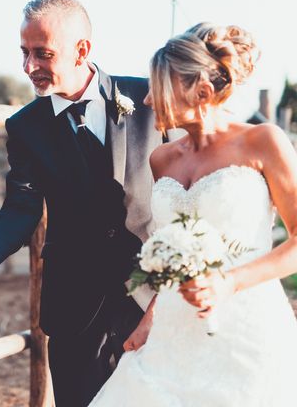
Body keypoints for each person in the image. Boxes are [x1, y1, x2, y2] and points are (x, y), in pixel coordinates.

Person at [0, 0, 163, 406]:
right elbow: (22, 208)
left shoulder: (150, 100)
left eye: (42, 54)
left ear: (82, 50)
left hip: (155, 299)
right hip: (76, 310)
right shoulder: (25, 127)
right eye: (24, 53)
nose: (29, 67)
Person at [88, 23, 297, 406]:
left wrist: (228, 283)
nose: (148, 101)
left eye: (159, 88)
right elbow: (170, 249)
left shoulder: (264, 141)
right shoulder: (161, 159)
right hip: (172, 332)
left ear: (200, 91)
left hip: (246, 329)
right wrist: (150, 318)